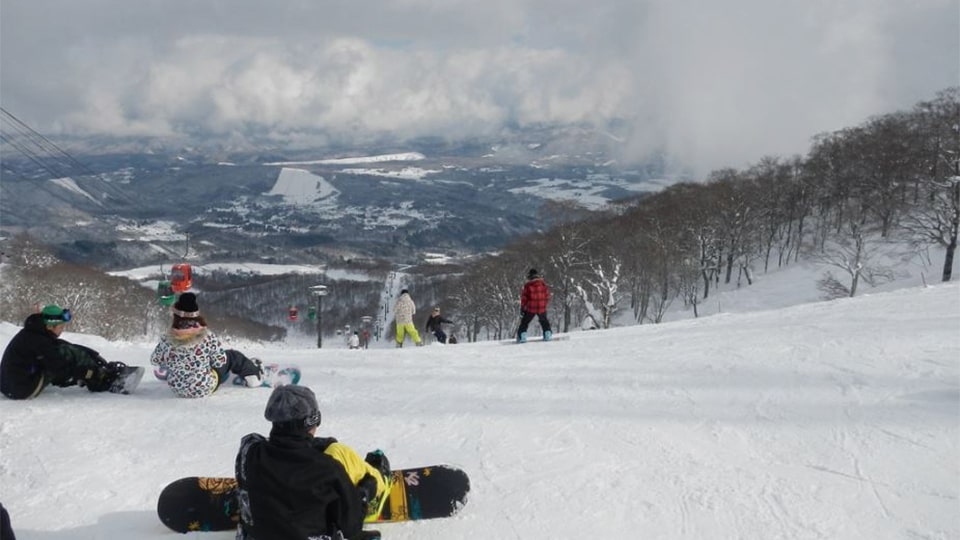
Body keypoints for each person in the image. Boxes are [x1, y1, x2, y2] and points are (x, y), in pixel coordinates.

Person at [235, 385, 391, 540]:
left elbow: (277, 444)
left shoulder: (249, 450)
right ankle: (380, 478)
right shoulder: (326, 469)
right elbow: (351, 527)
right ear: (312, 421)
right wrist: (364, 493)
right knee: (340, 452)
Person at [1, 305, 139, 399]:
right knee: (68, 356)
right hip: (22, 390)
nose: (62, 329)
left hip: (11, 385)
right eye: (60, 326)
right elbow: (61, 368)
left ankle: (101, 370)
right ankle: (104, 379)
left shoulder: (33, 332)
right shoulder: (41, 342)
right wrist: (87, 373)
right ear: (50, 325)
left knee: (65, 348)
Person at [150, 293, 264, 398]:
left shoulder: (167, 339)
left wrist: (175, 360)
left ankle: (183, 376)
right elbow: (220, 361)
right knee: (232, 356)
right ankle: (252, 374)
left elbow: (155, 360)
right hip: (204, 387)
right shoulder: (207, 337)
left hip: (177, 388)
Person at [517, 268, 553, 343]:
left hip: (531, 307)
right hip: (541, 306)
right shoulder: (543, 284)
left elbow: (524, 298)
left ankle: (522, 337)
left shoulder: (528, 285)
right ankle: (547, 334)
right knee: (544, 321)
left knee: (525, 322)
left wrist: (523, 308)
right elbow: (547, 296)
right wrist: (544, 304)